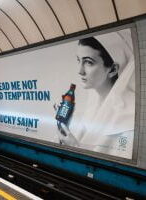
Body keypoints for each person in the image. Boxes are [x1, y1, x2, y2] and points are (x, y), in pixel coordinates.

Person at [56, 29, 135, 159]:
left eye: (88, 62)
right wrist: (64, 125)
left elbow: (116, 168)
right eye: (78, 60)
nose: (79, 71)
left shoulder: (129, 115)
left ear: (113, 69)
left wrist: (75, 148)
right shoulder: (89, 106)